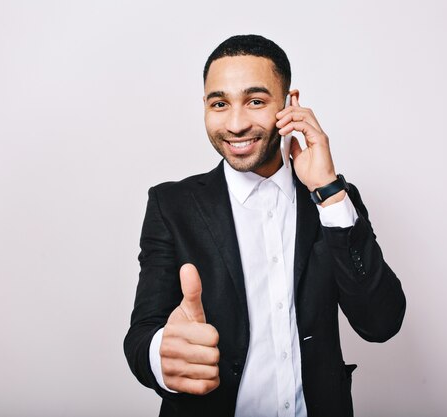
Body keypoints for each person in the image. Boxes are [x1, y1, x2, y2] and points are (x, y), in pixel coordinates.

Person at [124, 34, 406, 417]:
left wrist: (329, 192)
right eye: (219, 103)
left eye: (255, 101)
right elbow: (141, 337)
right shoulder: (171, 205)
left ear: (290, 105)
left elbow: (381, 322)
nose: (236, 124)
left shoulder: (333, 199)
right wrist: (164, 354)